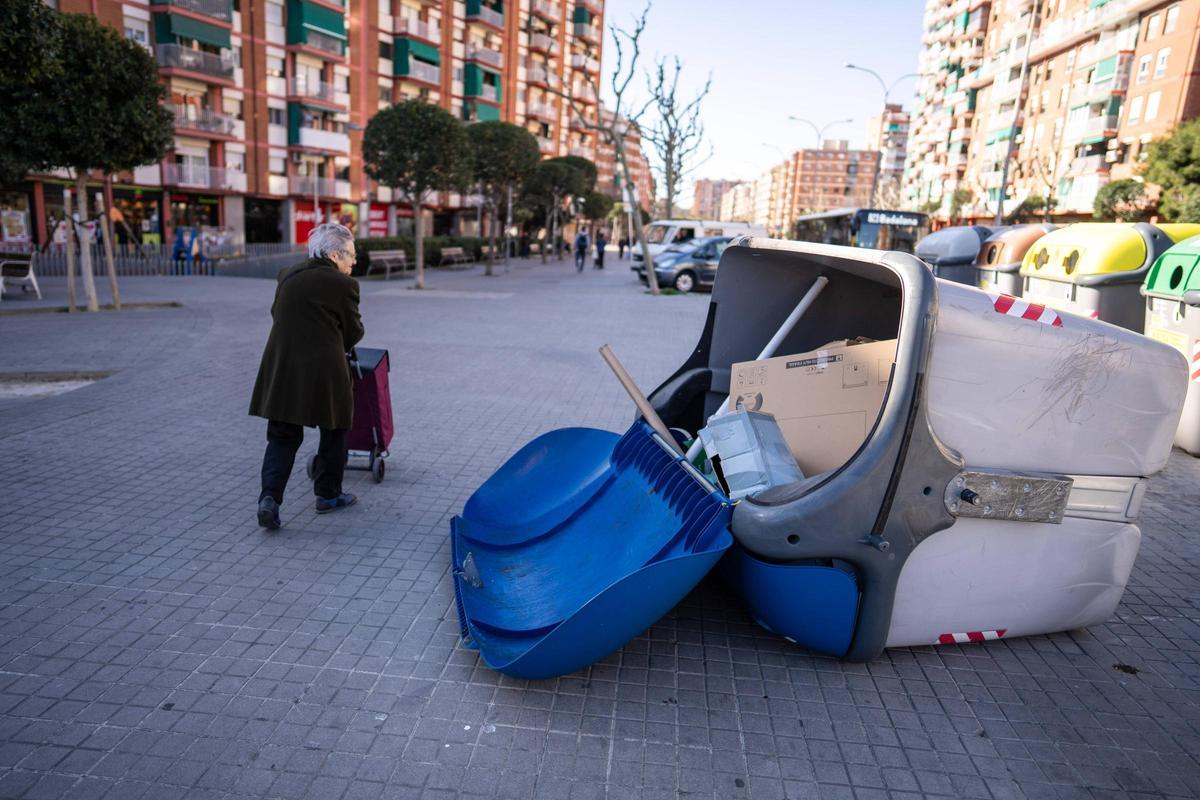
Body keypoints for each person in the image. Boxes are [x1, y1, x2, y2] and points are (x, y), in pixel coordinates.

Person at [249, 223, 364, 530]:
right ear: (334, 253)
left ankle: (269, 499)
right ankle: (328, 495)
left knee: (282, 436)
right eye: (351, 255)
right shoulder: (343, 285)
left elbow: (278, 314)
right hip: (325, 371)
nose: (353, 261)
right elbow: (353, 332)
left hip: (283, 368)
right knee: (335, 427)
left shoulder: (287, 275)